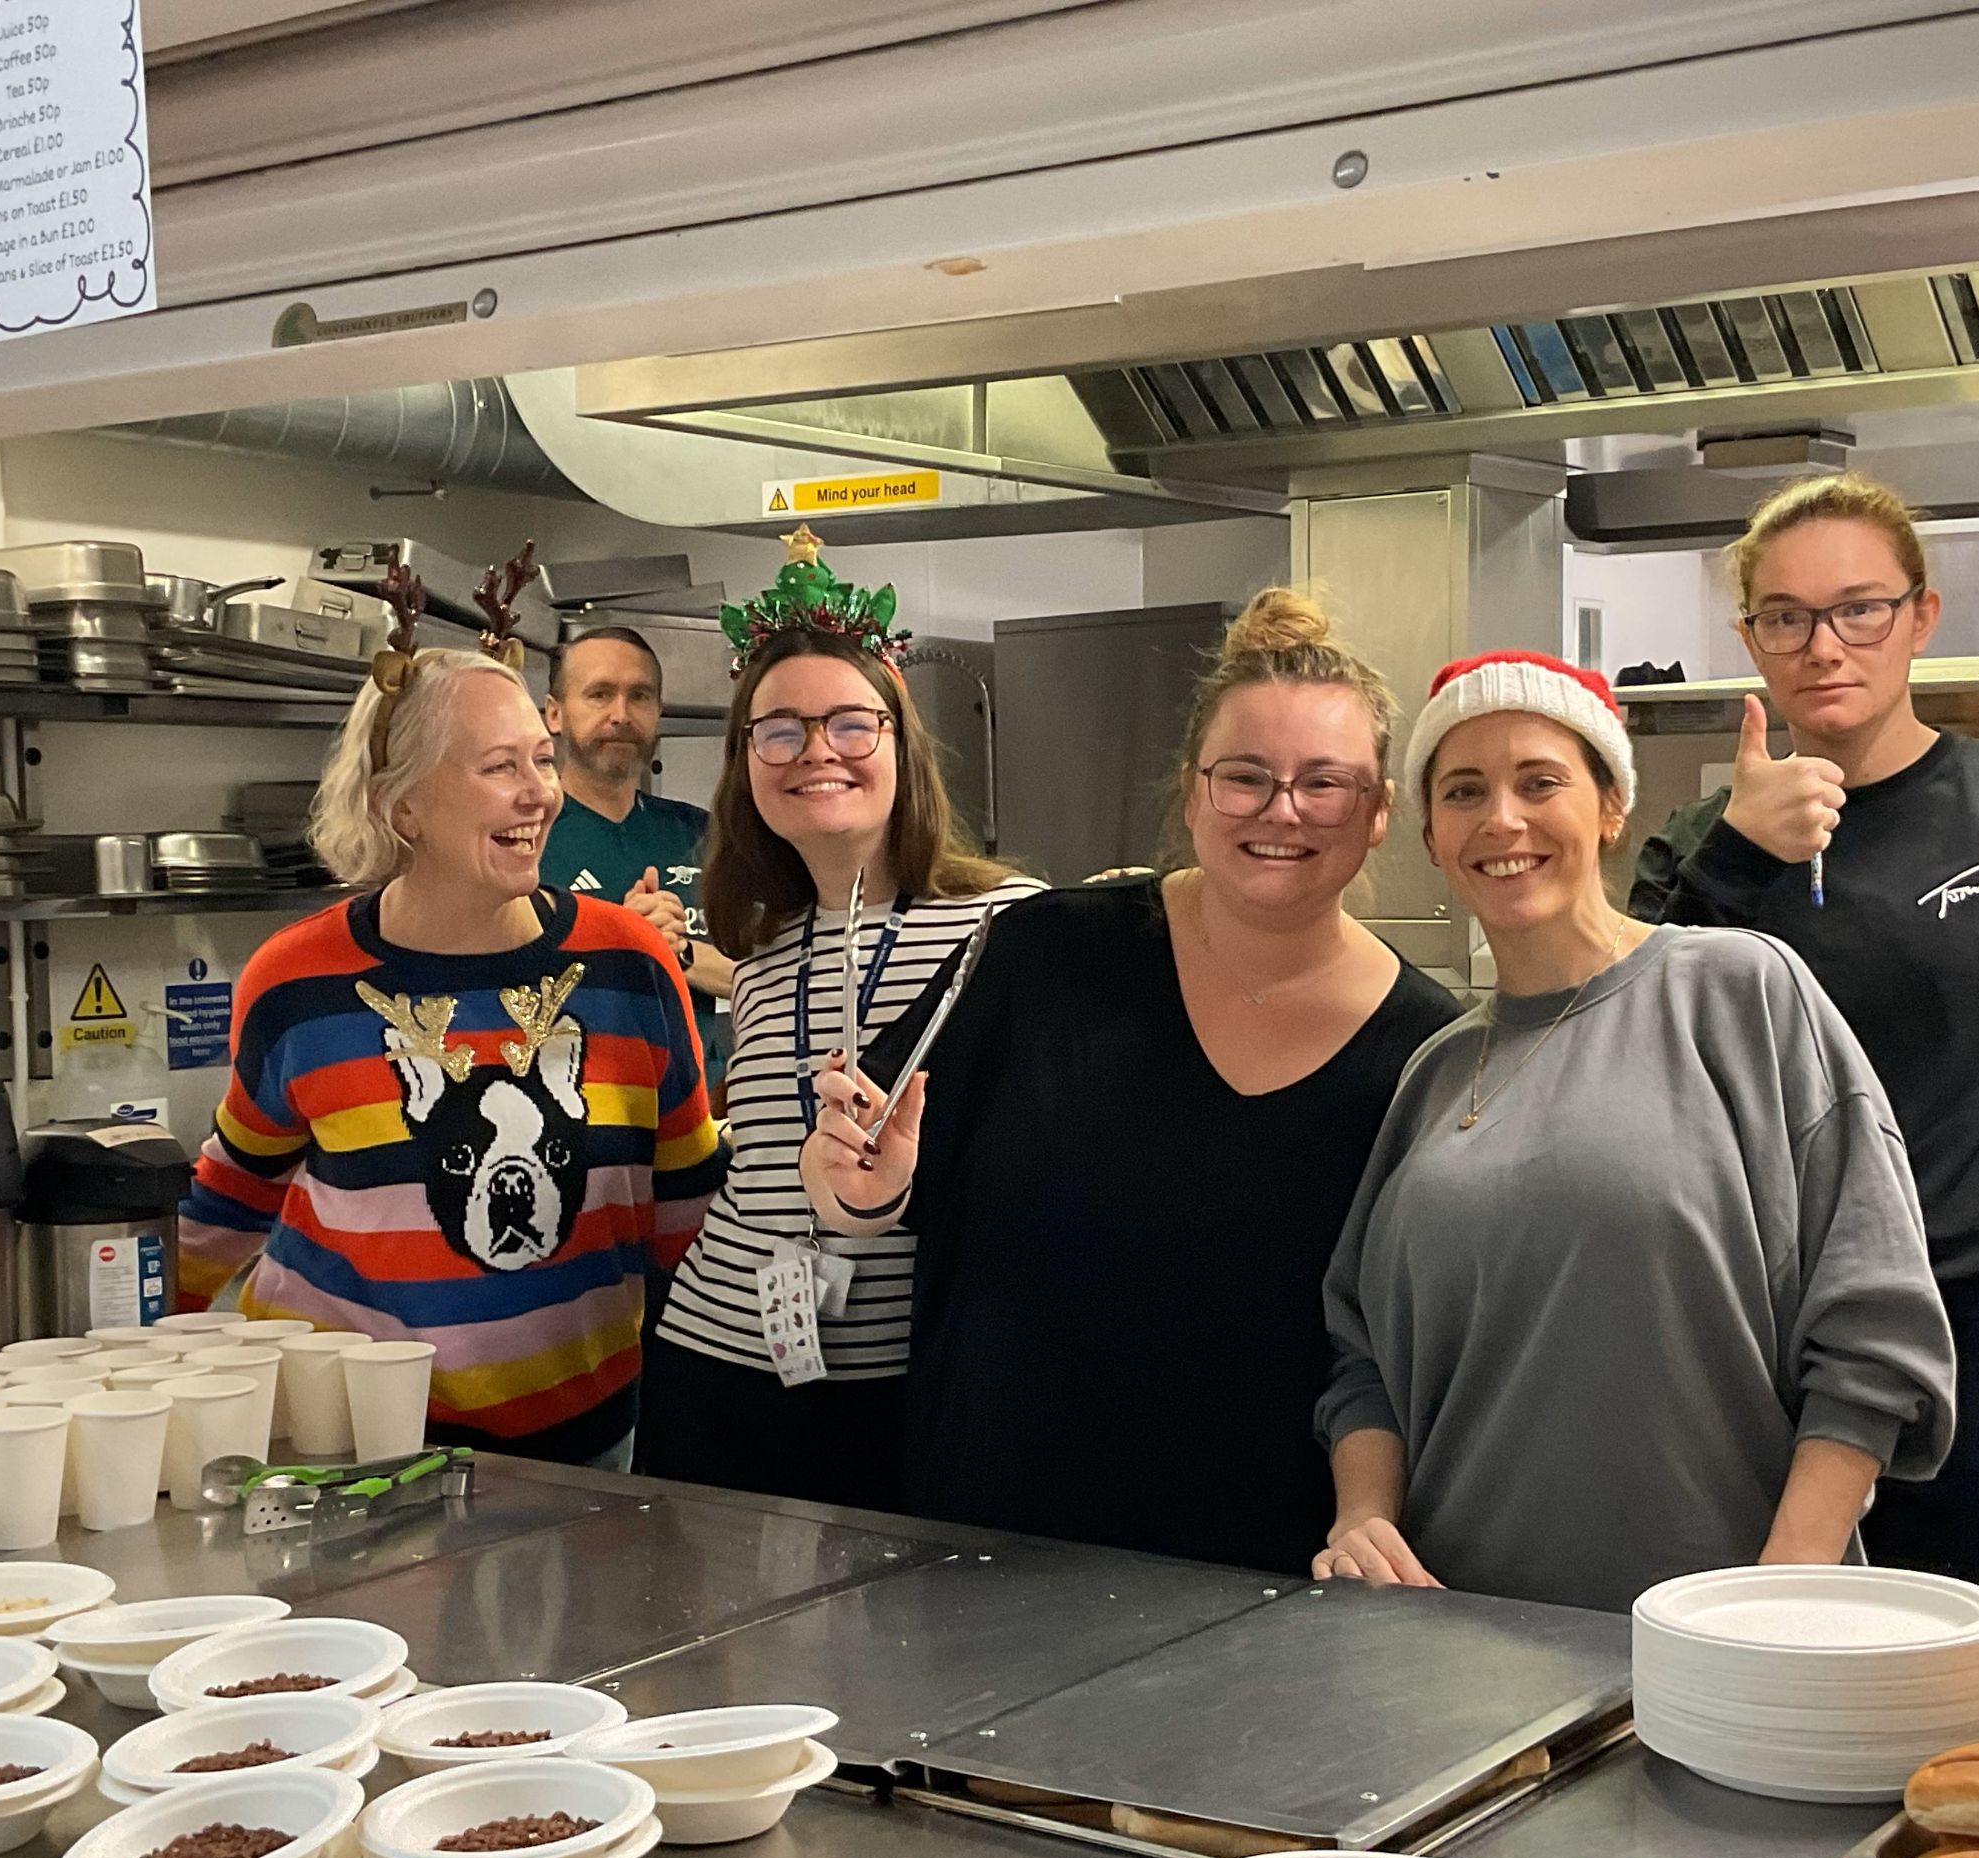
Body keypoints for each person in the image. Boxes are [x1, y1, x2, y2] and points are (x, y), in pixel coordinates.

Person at [1628, 473, 1979, 1686]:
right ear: (1749, 642)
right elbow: (1629, 1057)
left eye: (1859, 610)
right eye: (1785, 617)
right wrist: (1737, 853)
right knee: (1768, 1694)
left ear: (1922, 619)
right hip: (1763, 1360)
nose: (1823, 646)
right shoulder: (1697, 849)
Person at [800, 588, 1463, 1575]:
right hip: (989, 1545)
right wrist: (860, 1187)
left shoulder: (1428, 1051)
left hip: (1265, 1574)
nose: (1281, 811)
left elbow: (1393, 1348)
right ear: (1192, 793)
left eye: (1325, 784)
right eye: (1244, 778)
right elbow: (870, 1177)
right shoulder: (1042, 953)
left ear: (1377, 817)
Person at [1314, 653, 1955, 1611]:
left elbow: (1875, 1333)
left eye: (1541, 782)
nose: (1503, 820)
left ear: (1611, 805)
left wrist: (1778, 1596)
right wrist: (1361, 1518)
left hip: (1728, 1628)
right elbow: (1363, 1357)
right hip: (1457, 1636)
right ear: (1433, 837)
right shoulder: (1436, 1070)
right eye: (1464, 792)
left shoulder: (1741, 992)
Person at [177, 598, 723, 1470]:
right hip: (347, 1453)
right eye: (499, 766)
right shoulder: (297, 983)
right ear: (402, 808)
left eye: (541, 760)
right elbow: (231, 1197)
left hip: (584, 1451)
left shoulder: (629, 966)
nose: (540, 792)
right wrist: (138, 1359)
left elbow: (688, 1217)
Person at [636, 539, 1039, 1510]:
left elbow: (1049, 1178)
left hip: (905, 1382)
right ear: (745, 766)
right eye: (778, 731)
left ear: (903, 743)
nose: (816, 751)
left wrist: (885, 1196)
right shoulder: (766, 949)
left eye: (852, 725)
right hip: (715, 1364)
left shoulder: (1012, 927)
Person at [540, 623, 735, 1099]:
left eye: (640, 696)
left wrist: (678, 951)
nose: (621, 714)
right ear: (554, 714)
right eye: (599, 694)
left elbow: (756, 973)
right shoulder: (523, 838)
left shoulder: (703, 834)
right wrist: (622, 943)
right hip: (569, 1114)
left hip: (698, 1118)